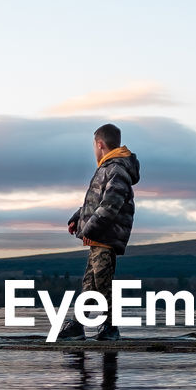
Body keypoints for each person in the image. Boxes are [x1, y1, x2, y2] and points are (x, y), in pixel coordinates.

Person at [57, 123, 140, 341]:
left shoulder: (116, 169)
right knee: (91, 283)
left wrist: (90, 229)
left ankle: (109, 328)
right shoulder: (107, 168)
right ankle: (77, 325)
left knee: (102, 283)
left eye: (94, 146)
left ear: (100, 144)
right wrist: (78, 217)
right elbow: (96, 201)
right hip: (99, 237)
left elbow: (110, 205)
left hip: (105, 237)